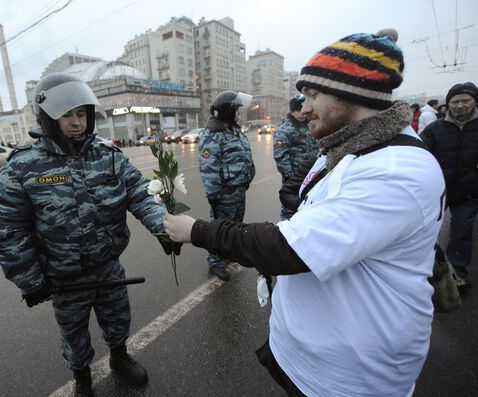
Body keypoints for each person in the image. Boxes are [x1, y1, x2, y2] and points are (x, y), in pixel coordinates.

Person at [164, 29, 445, 396]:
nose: (304, 106)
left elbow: (290, 249)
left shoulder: (393, 170)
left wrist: (197, 230)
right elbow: (308, 193)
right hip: (312, 356)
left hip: (348, 378)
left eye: (313, 94)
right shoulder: (351, 147)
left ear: (351, 91)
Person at [0, 73, 169, 397]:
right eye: (67, 114)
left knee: (117, 320)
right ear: (47, 118)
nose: (76, 122)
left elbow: (139, 194)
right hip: (64, 277)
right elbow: (7, 229)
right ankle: (82, 377)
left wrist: (164, 228)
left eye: (81, 113)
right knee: (74, 334)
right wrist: (30, 280)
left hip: (108, 267)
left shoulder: (109, 155)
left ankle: (119, 357)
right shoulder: (22, 167)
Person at [421, 82, 478, 292]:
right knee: (426, 231)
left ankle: (458, 275)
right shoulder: (435, 129)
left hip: (470, 193)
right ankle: (426, 271)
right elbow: (418, 152)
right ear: (448, 103)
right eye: (455, 101)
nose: (460, 105)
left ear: (474, 101)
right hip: (438, 192)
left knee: (461, 231)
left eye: (466, 100)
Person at [198, 90, 255, 281]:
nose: (239, 114)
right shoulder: (213, 134)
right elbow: (208, 166)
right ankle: (214, 262)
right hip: (224, 193)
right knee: (219, 228)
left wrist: (248, 177)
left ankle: (228, 254)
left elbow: (244, 156)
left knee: (235, 226)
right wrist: (213, 194)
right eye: (237, 111)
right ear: (227, 112)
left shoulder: (233, 130)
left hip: (239, 190)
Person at [273, 95, 317, 220]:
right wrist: (291, 177)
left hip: (310, 175)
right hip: (294, 178)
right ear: (293, 111)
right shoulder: (284, 130)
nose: (303, 113)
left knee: (307, 208)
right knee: (290, 211)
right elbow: (280, 157)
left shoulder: (307, 126)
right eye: (299, 110)